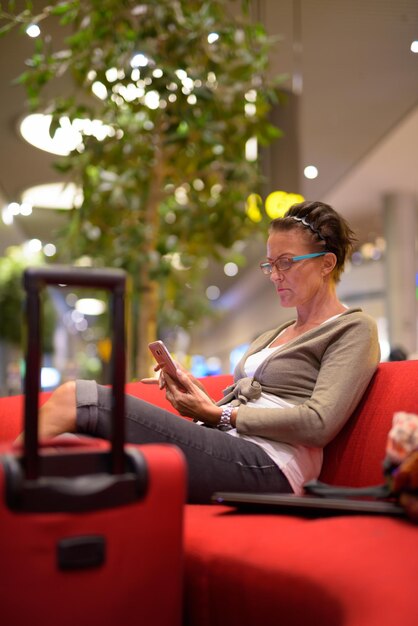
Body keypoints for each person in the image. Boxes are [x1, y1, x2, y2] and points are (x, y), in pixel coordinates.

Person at [36, 201, 380, 503]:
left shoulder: (352, 328)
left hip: (271, 465)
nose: (274, 275)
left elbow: (319, 423)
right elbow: (235, 413)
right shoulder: (274, 334)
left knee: (78, 398)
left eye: (286, 262)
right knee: (76, 443)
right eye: (270, 264)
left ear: (326, 263)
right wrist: (199, 399)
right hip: (234, 448)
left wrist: (221, 416)